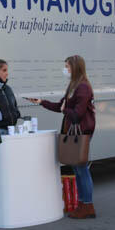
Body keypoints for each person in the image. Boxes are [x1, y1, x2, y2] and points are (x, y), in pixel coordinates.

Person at [28, 54, 96, 219]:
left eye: (67, 66)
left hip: (81, 132)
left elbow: (77, 114)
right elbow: (60, 106)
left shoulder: (83, 87)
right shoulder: (74, 86)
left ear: (75, 67)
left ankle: (87, 205)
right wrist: (41, 102)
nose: (65, 69)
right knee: (77, 169)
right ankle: (82, 204)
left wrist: (64, 109)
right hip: (74, 132)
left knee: (81, 169)